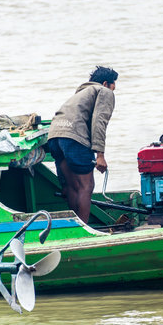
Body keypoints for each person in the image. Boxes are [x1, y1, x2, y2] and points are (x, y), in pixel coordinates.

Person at [47, 66, 118, 223]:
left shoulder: (80, 93)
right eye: (114, 88)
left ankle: (75, 228)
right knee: (86, 186)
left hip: (55, 136)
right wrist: (100, 155)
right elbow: (99, 122)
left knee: (72, 187)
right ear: (106, 83)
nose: (113, 91)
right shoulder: (104, 92)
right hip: (74, 137)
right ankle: (85, 229)